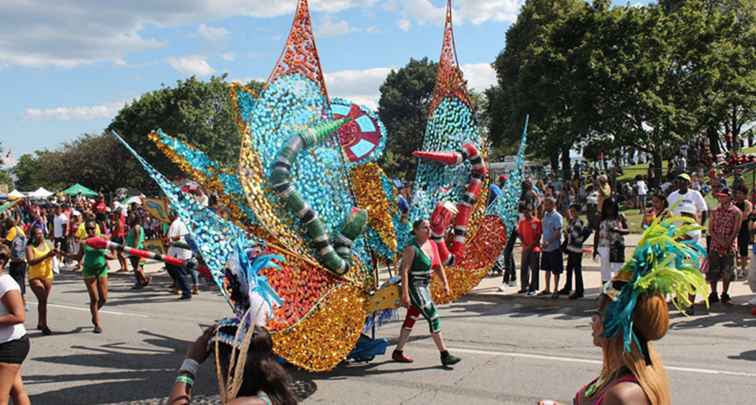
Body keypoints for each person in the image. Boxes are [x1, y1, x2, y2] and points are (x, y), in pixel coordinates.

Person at [168, 325, 297, 405]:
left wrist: (190, 363)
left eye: (216, 363)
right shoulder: (267, 395)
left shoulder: (247, 403)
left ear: (229, 365)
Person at [392, 219, 461, 366]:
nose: (428, 229)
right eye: (425, 227)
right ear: (416, 230)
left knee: (411, 317)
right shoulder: (411, 248)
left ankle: (398, 352)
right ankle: (444, 354)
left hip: (425, 286)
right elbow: (404, 271)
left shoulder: (432, 244)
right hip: (414, 286)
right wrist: (405, 294)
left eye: (429, 227)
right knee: (433, 316)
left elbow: (437, 266)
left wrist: (445, 283)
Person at [0, 245, 31, 405]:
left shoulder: (5, 282)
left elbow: (19, 316)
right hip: (5, 342)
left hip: (11, 344)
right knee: (16, 390)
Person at [71, 221, 113, 333]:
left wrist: (109, 256)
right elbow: (78, 257)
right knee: (94, 298)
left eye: (93, 228)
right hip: (89, 271)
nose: (91, 230)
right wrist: (63, 254)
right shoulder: (84, 242)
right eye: (88, 228)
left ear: (96, 228)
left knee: (103, 299)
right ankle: (97, 323)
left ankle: (94, 312)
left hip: (102, 269)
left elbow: (113, 253)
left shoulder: (103, 238)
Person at [707, 188, 741, 305]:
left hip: (729, 245)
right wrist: (719, 241)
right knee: (713, 270)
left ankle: (725, 293)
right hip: (715, 244)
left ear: (729, 197)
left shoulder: (736, 212)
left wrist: (727, 242)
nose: (721, 198)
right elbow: (710, 229)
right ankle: (713, 293)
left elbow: (736, 230)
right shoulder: (715, 211)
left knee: (728, 270)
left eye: (723, 196)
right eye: (719, 196)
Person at [26, 227, 56, 335]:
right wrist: (46, 255)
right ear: (33, 236)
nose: (40, 235)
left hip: (48, 275)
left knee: (43, 301)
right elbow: (31, 262)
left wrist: (54, 253)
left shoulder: (48, 244)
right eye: (38, 234)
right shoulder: (30, 247)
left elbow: (54, 253)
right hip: (35, 276)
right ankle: (45, 325)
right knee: (43, 298)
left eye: (41, 233)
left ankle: (40, 322)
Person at [594, 198, 629, 284]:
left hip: (617, 247)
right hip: (604, 247)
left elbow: (627, 230)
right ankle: (606, 291)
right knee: (605, 270)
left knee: (618, 269)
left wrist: (618, 230)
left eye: (612, 207)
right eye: (608, 207)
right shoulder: (601, 218)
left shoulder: (620, 217)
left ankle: (617, 291)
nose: (610, 209)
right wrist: (595, 249)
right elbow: (597, 234)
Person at [561, 203, 591, 299]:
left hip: (576, 249)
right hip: (571, 248)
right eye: (571, 211)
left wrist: (567, 233)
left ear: (578, 212)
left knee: (577, 270)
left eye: (574, 211)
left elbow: (574, 235)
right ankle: (568, 287)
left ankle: (579, 290)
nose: (572, 213)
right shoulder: (573, 222)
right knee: (569, 268)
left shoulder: (578, 222)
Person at [539, 197, 563, 298]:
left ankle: (556, 289)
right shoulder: (545, 215)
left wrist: (549, 241)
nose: (545, 206)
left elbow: (558, 232)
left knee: (556, 270)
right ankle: (547, 288)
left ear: (553, 205)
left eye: (547, 204)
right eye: (545, 204)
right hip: (545, 247)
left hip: (554, 247)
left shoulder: (557, 217)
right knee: (547, 269)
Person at [167, 214, 193, 300]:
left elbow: (175, 238)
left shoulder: (176, 224)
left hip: (179, 252)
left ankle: (186, 293)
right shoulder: (184, 222)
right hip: (183, 251)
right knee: (177, 272)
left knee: (181, 273)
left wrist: (167, 240)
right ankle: (179, 287)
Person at [517, 207, 542, 296]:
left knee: (534, 269)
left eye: (527, 212)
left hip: (534, 249)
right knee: (524, 268)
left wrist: (531, 246)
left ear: (531, 211)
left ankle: (533, 288)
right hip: (525, 248)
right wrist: (523, 243)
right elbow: (519, 234)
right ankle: (524, 287)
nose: (525, 214)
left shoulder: (537, 221)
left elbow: (539, 236)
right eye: (524, 213)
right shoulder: (522, 222)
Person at [3, 219, 27, 304]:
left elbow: (6, 243)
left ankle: (21, 301)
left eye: (5, 224)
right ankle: (22, 301)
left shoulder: (13, 230)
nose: (5, 226)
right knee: (20, 280)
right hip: (22, 259)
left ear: (9, 224)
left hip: (16, 260)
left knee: (16, 281)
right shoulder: (19, 229)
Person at [125, 215, 150, 289]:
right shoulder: (136, 227)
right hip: (135, 249)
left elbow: (136, 239)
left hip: (137, 250)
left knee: (138, 267)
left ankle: (144, 279)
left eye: (130, 218)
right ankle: (140, 282)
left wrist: (134, 250)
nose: (129, 219)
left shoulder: (137, 227)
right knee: (137, 267)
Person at [733, 185, 752, 280]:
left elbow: (745, 216)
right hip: (735, 230)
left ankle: (743, 268)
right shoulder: (733, 204)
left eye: (740, 193)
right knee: (735, 251)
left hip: (744, 230)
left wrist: (737, 217)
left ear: (745, 195)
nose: (738, 195)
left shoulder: (747, 204)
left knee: (744, 250)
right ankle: (737, 268)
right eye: (737, 193)